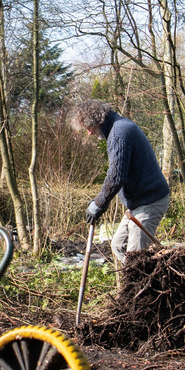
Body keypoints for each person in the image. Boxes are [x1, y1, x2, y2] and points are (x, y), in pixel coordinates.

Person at [68, 100, 170, 265]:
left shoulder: (119, 133)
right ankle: (137, 279)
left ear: (97, 121)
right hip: (138, 204)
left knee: (137, 258)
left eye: (89, 127)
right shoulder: (117, 128)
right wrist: (99, 202)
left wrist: (99, 203)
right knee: (118, 246)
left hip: (150, 201)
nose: (88, 133)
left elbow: (116, 177)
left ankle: (142, 284)